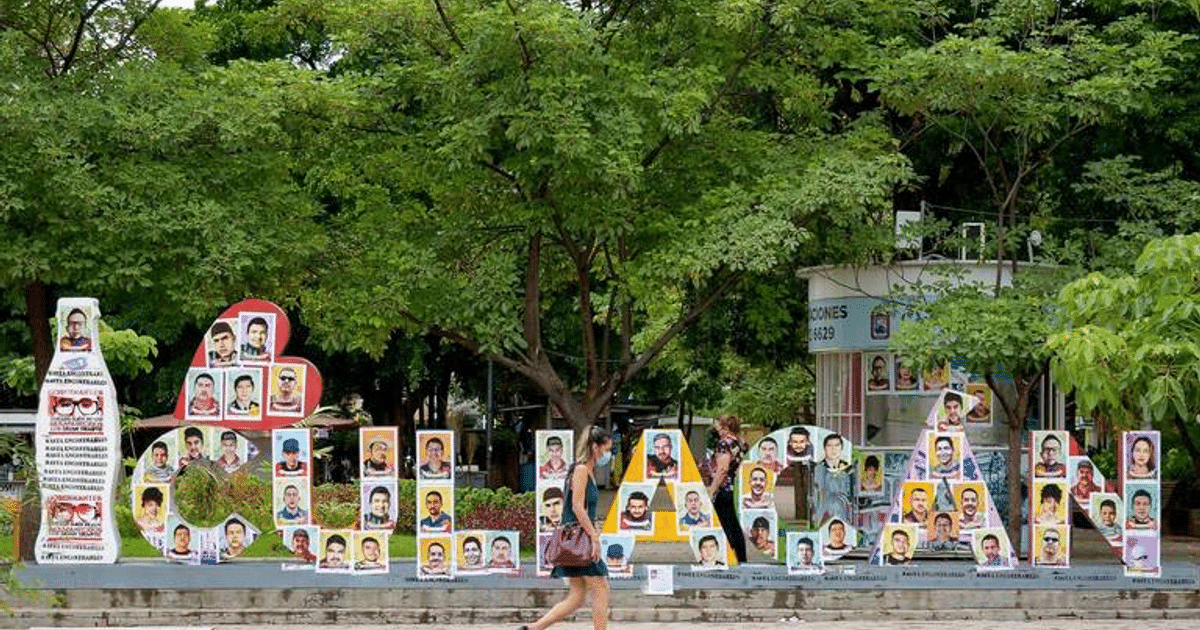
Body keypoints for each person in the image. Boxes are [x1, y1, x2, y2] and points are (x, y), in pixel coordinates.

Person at [524, 425, 612, 630]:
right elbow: (577, 507)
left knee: (577, 596)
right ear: (595, 447)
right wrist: (594, 537)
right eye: (606, 448)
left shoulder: (587, 470)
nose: (608, 453)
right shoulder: (581, 470)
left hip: (577, 540)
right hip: (580, 540)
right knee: (600, 589)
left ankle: (533, 628)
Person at [706, 415, 748, 563]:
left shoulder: (724, 444)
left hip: (725, 490)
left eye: (719, 427)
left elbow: (722, 470)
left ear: (726, 428)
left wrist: (712, 490)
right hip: (737, 489)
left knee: (725, 526)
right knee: (735, 526)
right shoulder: (741, 443)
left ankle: (728, 559)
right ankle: (741, 559)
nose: (718, 431)